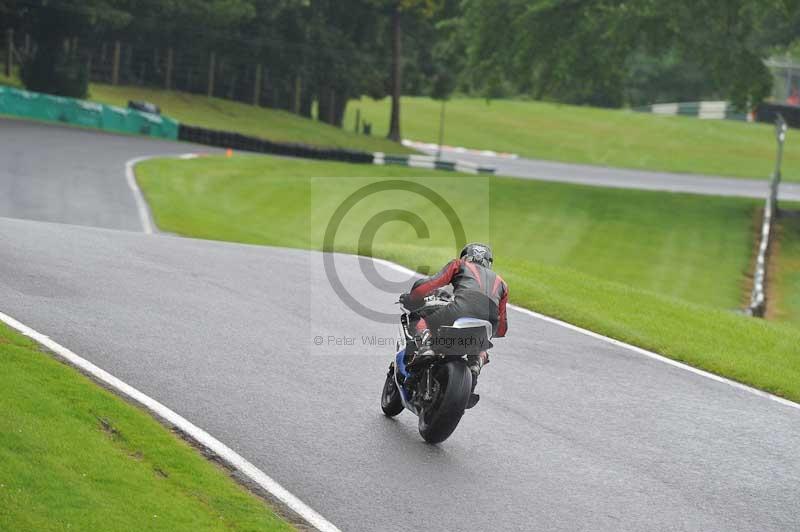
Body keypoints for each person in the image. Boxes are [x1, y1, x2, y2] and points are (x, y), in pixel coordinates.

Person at [399, 243, 508, 388]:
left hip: (460, 310)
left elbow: (429, 284)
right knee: (482, 340)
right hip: (489, 322)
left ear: (466, 256)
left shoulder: (459, 264)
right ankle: (477, 362)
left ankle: (426, 347)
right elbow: (502, 328)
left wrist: (413, 297)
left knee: (420, 318)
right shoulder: (502, 283)